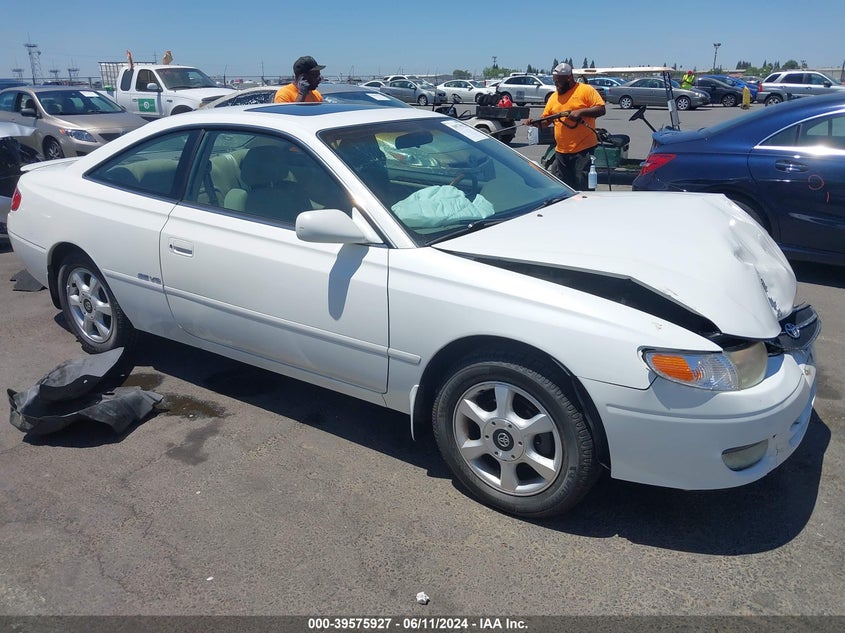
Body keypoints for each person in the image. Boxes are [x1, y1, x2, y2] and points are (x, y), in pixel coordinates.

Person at [525, 62, 606, 190]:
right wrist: (535, 123)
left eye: (558, 82)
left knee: (583, 187)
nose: (556, 85)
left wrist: (580, 112)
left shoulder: (585, 90)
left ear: (569, 78)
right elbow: (546, 121)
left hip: (583, 150)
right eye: (555, 82)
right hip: (561, 152)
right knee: (565, 189)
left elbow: (601, 109)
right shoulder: (553, 97)